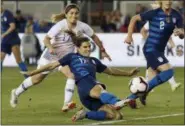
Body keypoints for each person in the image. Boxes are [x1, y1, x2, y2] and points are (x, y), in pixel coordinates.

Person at [10, 4, 111, 112]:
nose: (74, 15)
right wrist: (50, 47)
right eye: (71, 13)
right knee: (36, 79)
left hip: (66, 58)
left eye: (76, 13)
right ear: (66, 14)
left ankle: (66, 104)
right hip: (51, 56)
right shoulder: (60, 25)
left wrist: (103, 51)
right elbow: (46, 39)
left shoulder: (83, 26)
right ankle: (16, 92)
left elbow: (94, 36)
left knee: (71, 75)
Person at [17, 31, 139, 121]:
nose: (88, 49)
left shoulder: (94, 61)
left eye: (89, 47)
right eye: (85, 47)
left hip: (86, 97)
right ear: (78, 48)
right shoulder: (71, 57)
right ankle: (117, 102)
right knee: (99, 89)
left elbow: (111, 71)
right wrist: (34, 72)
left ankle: (85, 114)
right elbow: (52, 65)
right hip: (85, 84)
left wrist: (128, 73)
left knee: (116, 116)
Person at [124, 0, 184, 106]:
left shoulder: (177, 15)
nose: (168, 1)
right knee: (168, 72)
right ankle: (132, 97)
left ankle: (133, 98)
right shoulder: (154, 13)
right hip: (150, 48)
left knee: (151, 80)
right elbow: (134, 18)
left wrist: (181, 33)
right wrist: (129, 36)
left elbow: (182, 33)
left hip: (160, 50)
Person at [140, 1, 181, 92]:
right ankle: (171, 84)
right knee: (164, 67)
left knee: (151, 68)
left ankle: (146, 88)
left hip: (158, 48)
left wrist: (173, 46)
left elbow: (168, 35)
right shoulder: (152, 19)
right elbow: (142, 31)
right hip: (151, 48)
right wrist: (148, 40)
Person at [1, 2, 28, 78]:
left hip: (13, 39)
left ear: (2, 5)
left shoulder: (7, 13)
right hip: (5, 40)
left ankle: (27, 77)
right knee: (0, 58)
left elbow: (12, 26)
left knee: (18, 59)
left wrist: (4, 34)